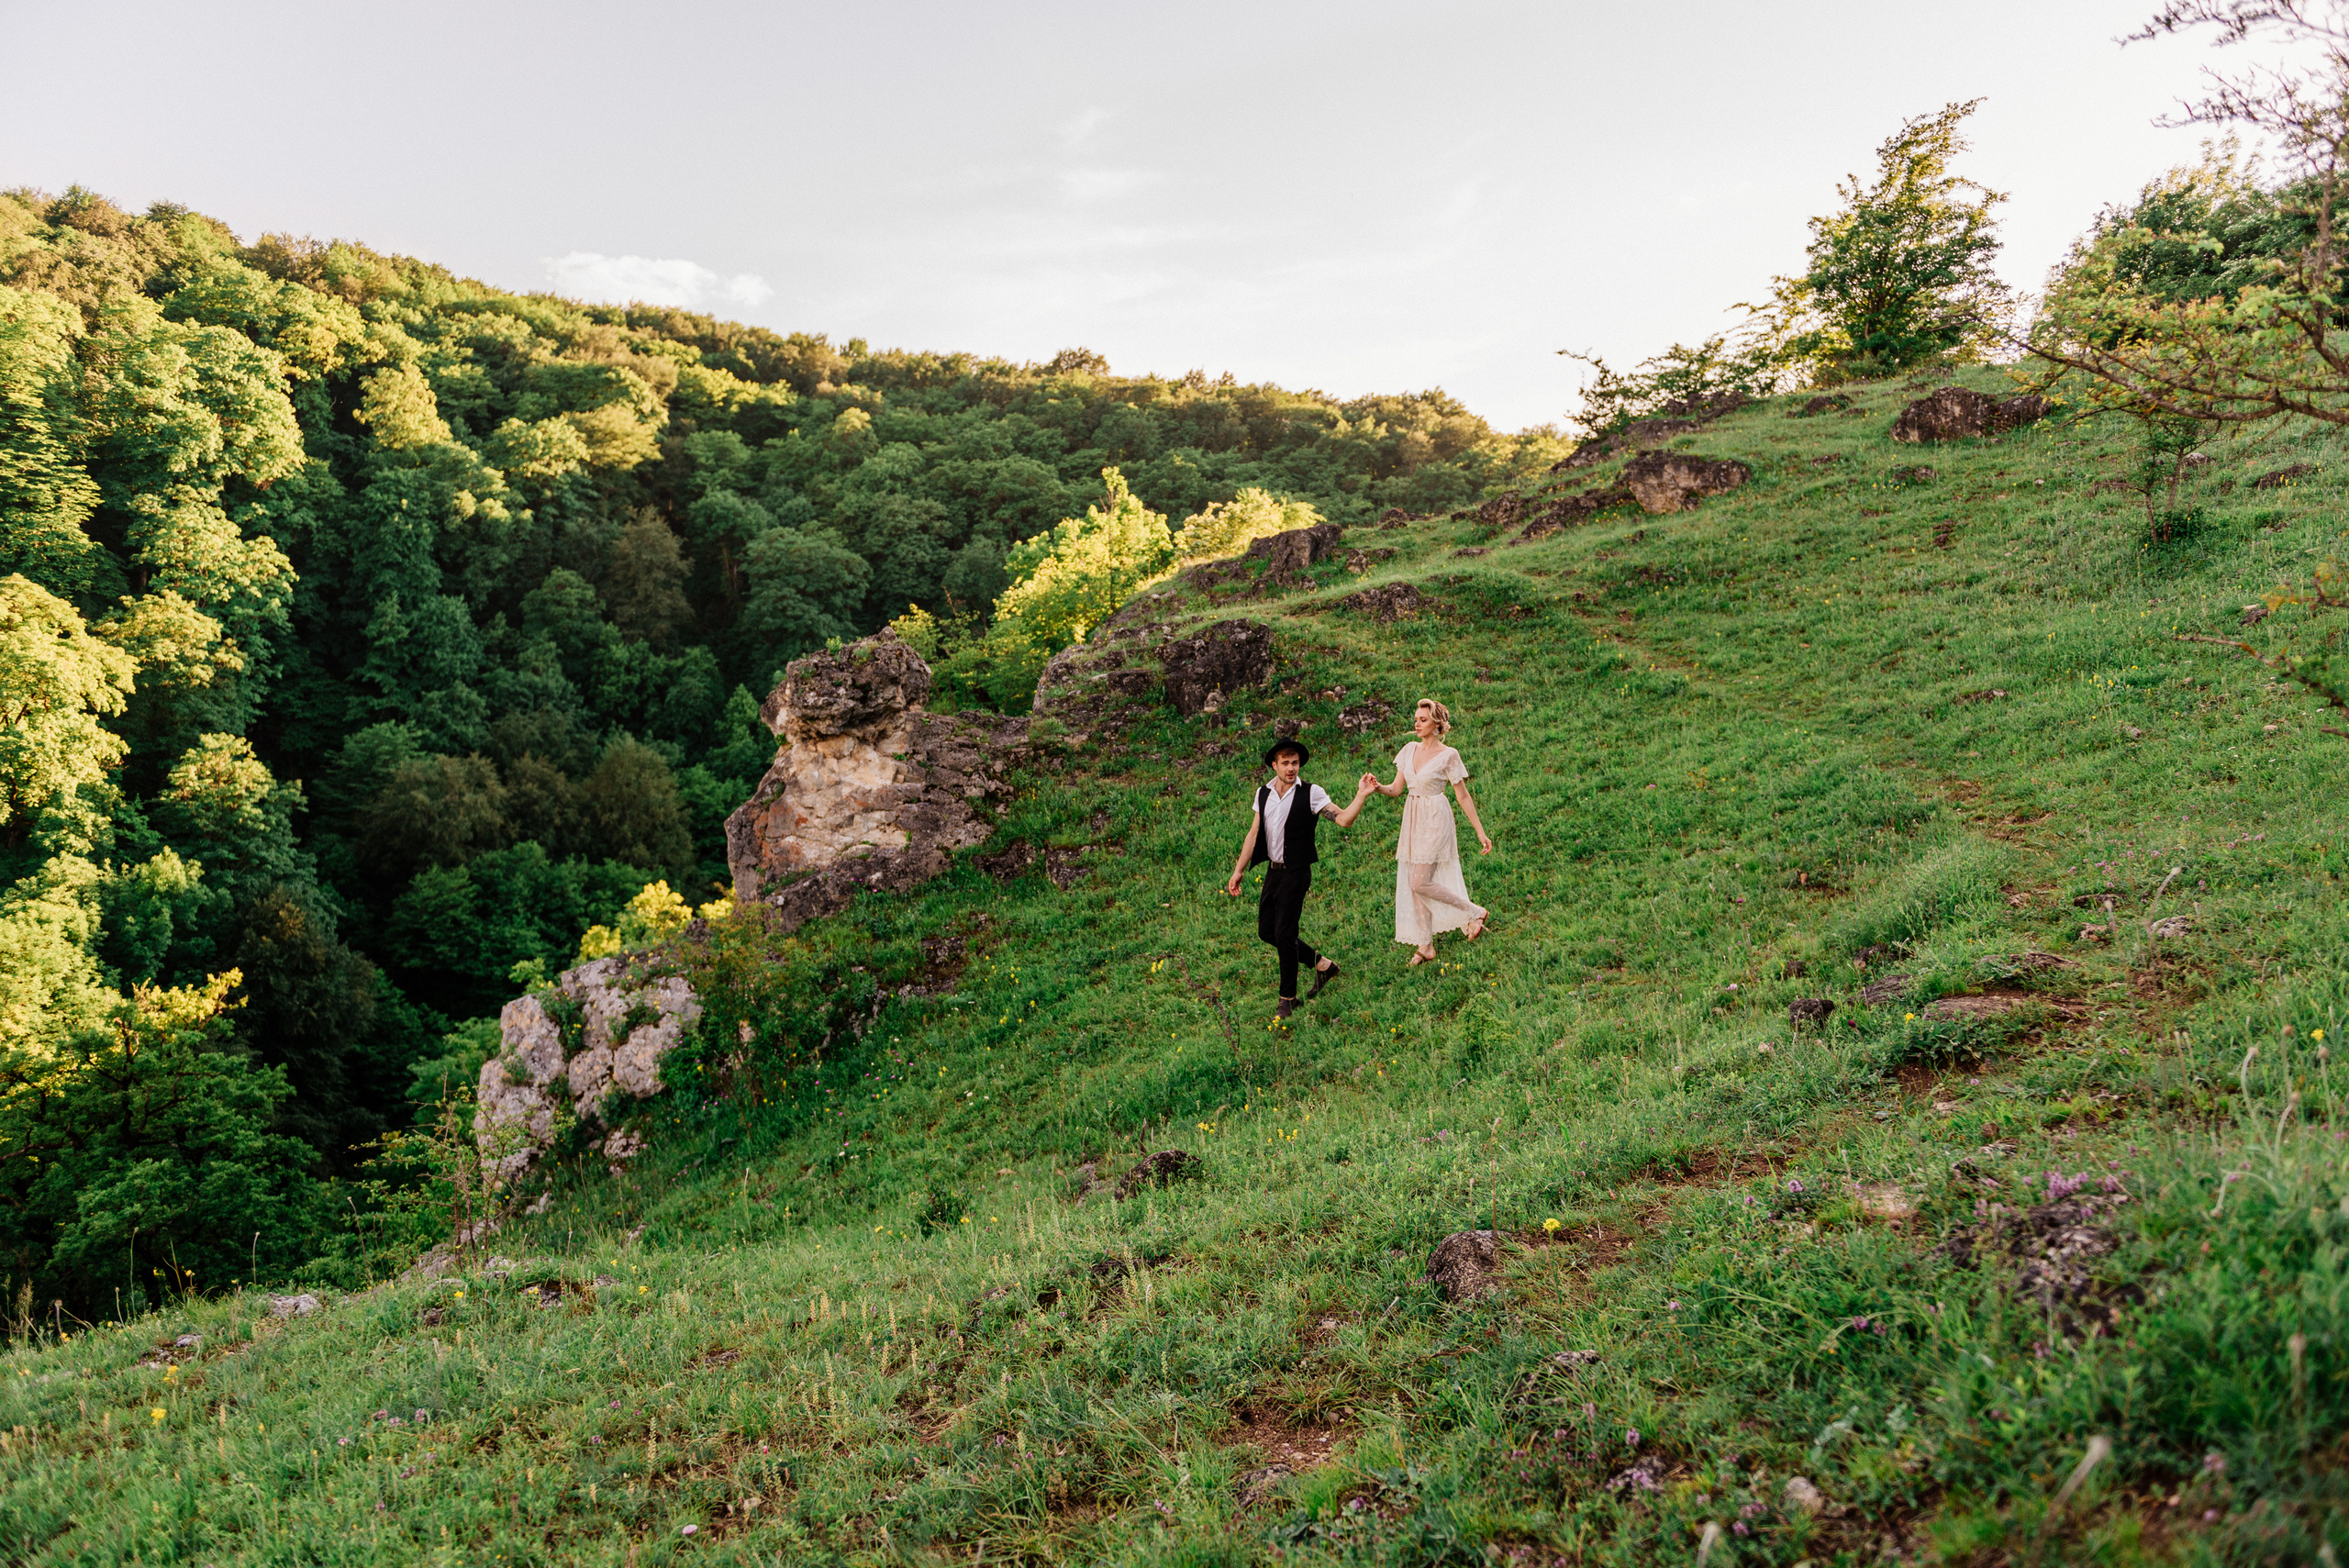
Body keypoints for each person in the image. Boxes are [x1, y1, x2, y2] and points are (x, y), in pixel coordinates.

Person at [1226, 739, 1376, 1018]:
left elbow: (1343, 820)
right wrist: (1239, 870)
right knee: (1266, 931)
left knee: (1285, 934)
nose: (1291, 768)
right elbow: (1254, 833)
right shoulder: (1263, 793)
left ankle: (1288, 999)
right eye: (1285, 763)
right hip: (1273, 872)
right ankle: (1322, 965)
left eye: (1295, 762)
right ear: (1274, 765)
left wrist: (1362, 794)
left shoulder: (1311, 793)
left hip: (1296, 873)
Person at [1362, 697, 1493, 966]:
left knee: (1420, 882)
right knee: (1413, 880)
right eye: (1416, 719)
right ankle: (1426, 945)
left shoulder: (1449, 755)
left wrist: (1480, 831)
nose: (1416, 724)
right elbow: (1396, 789)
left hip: (1436, 817)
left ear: (1437, 724)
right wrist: (1377, 787)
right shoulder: (1409, 749)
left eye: (1422, 720)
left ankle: (1474, 911)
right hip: (1413, 817)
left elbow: (1463, 796)